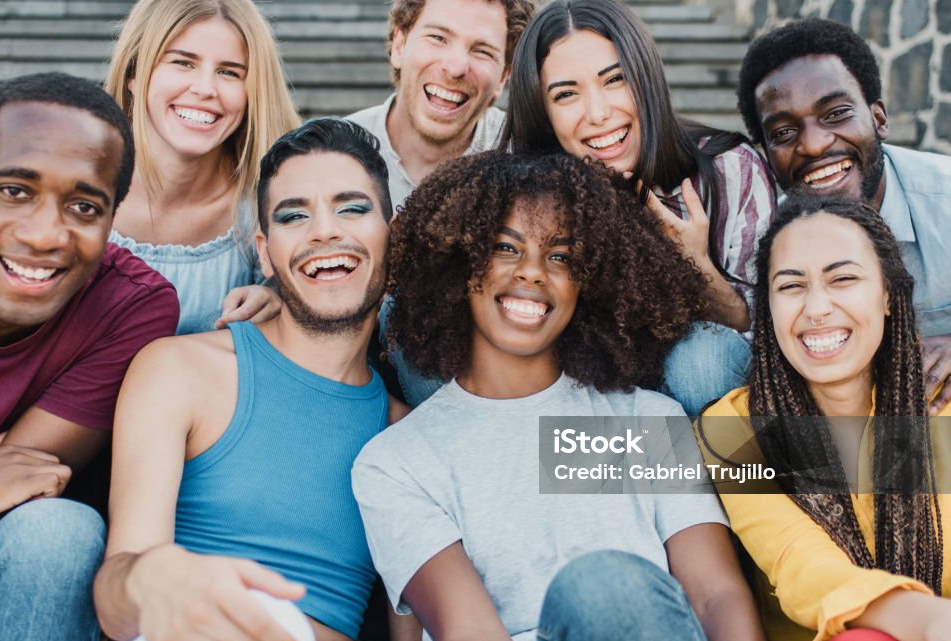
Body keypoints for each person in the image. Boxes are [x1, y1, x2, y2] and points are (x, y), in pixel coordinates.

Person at [353, 151, 771, 641]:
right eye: (505, 247)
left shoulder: (647, 421)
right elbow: (465, 635)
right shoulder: (397, 461)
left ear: (590, 282)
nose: (531, 271)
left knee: (604, 589)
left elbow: (715, 595)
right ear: (460, 265)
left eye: (561, 256)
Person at [93, 119, 432, 641]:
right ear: (266, 254)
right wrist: (149, 580)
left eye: (351, 208)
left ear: (392, 235)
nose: (324, 231)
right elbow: (115, 597)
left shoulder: (408, 433)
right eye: (293, 215)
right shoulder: (180, 369)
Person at [0, 72, 179, 641]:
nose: (44, 234)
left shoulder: (130, 306)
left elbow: (10, 495)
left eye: (84, 206)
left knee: (57, 534)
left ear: (113, 219)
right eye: (15, 191)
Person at [698, 195, 951, 641]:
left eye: (843, 279)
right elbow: (804, 568)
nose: (817, 308)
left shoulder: (939, 406)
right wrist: (936, 623)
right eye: (791, 286)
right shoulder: (733, 429)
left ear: (888, 296)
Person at [495, 0, 776, 415]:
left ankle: (696, 477)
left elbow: (765, 328)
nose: (599, 113)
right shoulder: (532, 194)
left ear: (644, 78)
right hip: (581, 391)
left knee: (702, 362)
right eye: (566, 94)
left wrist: (692, 264)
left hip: (699, 394)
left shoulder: (728, 169)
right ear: (543, 112)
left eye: (615, 80)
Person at [737, 17, 951, 415]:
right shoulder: (774, 246)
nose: (814, 145)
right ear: (765, 155)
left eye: (835, 114)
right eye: (783, 133)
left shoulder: (945, 201)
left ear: (879, 119)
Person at [106, 0, 301, 334]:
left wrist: (278, 303)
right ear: (134, 75)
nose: (205, 89)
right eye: (183, 63)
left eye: (228, 72)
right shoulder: (76, 186)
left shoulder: (265, 205)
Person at [347, 0, 535, 214]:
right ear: (400, 45)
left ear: (503, 78)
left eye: (482, 51)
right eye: (438, 38)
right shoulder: (333, 153)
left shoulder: (531, 164)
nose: (456, 68)